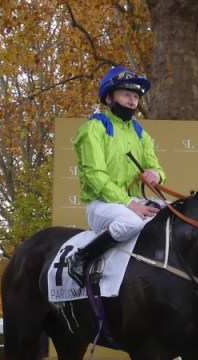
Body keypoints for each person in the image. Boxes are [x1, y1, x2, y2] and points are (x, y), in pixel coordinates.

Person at [67, 65, 166, 286]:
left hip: (131, 202)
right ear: (109, 98)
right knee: (132, 222)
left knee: (173, 211)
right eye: (126, 95)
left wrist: (156, 175)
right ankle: (82, 257)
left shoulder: (141, 133)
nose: (132, 102)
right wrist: (129, 203)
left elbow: (157, 167)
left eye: (135, 97)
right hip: (101, 205)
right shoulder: (94, 128)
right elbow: (95, 176)